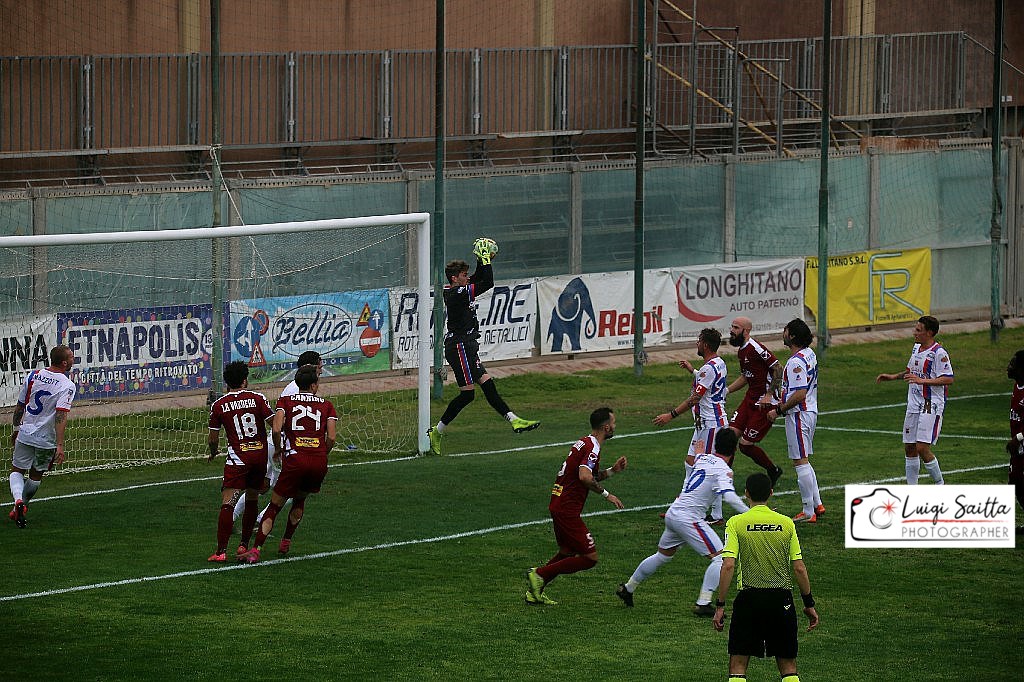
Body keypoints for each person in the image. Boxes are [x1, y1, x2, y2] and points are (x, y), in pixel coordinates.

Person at [616, 429, 749, 615]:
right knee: (721, 558)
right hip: (689, 518)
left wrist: (700, 452)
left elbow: (701, 460)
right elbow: (729, 496)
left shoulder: (702, 459)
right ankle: (703, 603)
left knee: (662, 555)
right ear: (734, 449)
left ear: (716, 444)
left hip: (674, 513)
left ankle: (628, 588)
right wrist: (750, 513)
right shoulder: (724, 470)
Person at [427, 241, 539, 455]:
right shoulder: (455, 294)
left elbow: (480, 277)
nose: (467, 278)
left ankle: (514, 420)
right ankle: (436, 431)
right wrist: (484, 259)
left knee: (488, 385)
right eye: (463, 275)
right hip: (458, 346)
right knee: (467, 395)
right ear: (454, 278)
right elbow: (487, 281)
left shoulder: (461, 289)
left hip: (467, 346)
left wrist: (482, 259)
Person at [712, 472, 820, 682]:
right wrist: (808, 603)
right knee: (788, 666)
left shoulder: (736, 523)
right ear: (771, 493)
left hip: (749, 600)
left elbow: (728, 565)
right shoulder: (786, 523)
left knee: (738, 664)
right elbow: (799, 568)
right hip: (782, 601)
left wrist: (720, 605)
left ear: (746, 494)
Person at [526, 407, 627, 605]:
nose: (615, 426)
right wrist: (607, 495)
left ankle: (534, 591)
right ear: (606, 427)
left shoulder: (585, 442)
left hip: (558, 503)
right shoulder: (593, 447)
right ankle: (539, 574)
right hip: (567, 509)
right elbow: (584, 477)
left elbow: (588, 475)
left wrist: (613, 471)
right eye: (613, 423)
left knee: (567, 551)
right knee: (590, 558)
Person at [245, 364, 337, 563]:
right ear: (314, 386)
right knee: (300, 500)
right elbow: (331, 437)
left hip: (296, 459)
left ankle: (256, 549)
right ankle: (286, 541)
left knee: (275, 505)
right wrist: (323, 453)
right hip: (318, 461)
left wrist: (278, 449)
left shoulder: (285, 401)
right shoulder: (326, 405)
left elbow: (276, 429)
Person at [231, 350, 323, 529]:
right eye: (319, 363)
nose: (322, 367)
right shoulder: (299, 389)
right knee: (291, 489)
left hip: (276, 442)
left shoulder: (297, 386)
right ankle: (260, 519)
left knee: (263, 486)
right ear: (310, 366)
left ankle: (235, 515)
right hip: (284, 444)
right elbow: (287, 421)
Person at [653, 327, 729, 523]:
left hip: (712, 424)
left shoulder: (708, 368)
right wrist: (693, 371)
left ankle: (715, 514)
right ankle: (684, 506)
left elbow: (695, 398)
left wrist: (671, 415)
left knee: (709, 468)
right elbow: (709, 382)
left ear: (705, 344)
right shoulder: (719, 363)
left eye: (698, 341)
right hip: (705, 425)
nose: (696, 344)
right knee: (690, 462)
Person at [207, 361, 274, 562]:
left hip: (238, 459)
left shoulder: (218, 405)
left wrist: (212, 452)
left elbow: (213, 438)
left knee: (228, 503)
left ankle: (220, 552)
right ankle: (243, 545)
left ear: (227, 383)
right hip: (259, 457)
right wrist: (278, 446)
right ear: (245, 380)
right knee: (252, 498)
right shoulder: (258, 399)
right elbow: (275, 423)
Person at [875, 315, 952, 486]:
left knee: (922, 448)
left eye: (918, 330)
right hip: (913, 403)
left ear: (929, 333)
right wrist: (893, 376)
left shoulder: (939, 353)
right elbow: (911, 371)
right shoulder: (916, 348)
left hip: (930, 404)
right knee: (909, 447)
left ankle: (940, 486)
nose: (914, 333)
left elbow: (948, 379)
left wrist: (923, 381)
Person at [7, 345, 76, 528]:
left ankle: (18, 501)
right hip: (46, 439)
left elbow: (20, 405)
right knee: (36, 475)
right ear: (63, 363)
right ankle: (23, 505)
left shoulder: (33, 375)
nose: (73, 359)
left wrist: (15, 428)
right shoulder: (67, 385)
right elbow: (61, 415)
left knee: (17, 470)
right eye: (71, 357)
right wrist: (60, 445)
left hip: (26, 433)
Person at [764, 319, 823, 522]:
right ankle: (817, 503)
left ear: (793, 336)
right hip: (809, 412)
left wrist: (778, 410)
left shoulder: (796, 361)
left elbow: (799, 394)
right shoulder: (809, 354)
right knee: (804, 458)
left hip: (799, 414)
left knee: (800, 461)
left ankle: (808, 512)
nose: (783, 333)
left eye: (785, 331)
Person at [725, 317, 785, 486]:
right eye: (732, 327)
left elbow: (778, 367)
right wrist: (727, 390)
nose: (732, 330)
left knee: (745, 445)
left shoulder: (756, 348)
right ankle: (724, 478)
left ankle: (773, 470)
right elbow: (746, 376)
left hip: (764, 403)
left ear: (746, 331)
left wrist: (769, 394)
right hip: (749, 399)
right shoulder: (741, 351)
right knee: (729, 438)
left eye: (736, 327)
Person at [1006, 350, 1024, 534]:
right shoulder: (1017, 386)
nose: (1008, 367)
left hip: (1020, 443)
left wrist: (1017, 438)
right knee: (1016, 485)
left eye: (1012, 364)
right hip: (1018, 449)